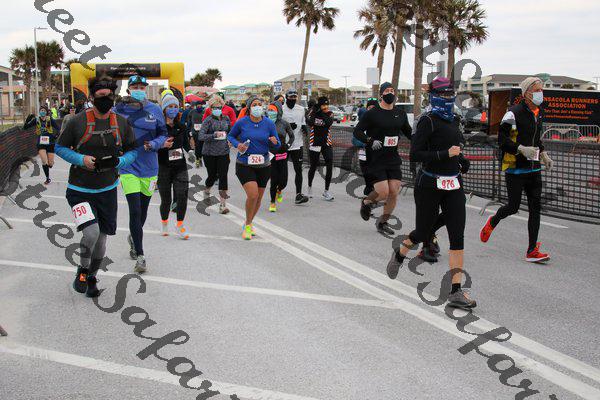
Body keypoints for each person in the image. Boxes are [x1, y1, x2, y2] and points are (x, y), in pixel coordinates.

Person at [388, 77, 476, 309]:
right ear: (434, 96)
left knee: (457, 235)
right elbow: (415, 154)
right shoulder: (427, 120)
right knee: (423, 232)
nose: (448, 98)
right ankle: (401, 252)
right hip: (429, 184)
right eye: (443, 94)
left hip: (453, 184)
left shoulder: (454, 119)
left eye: (450, 94)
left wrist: (462, 160)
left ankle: (455, 291)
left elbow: (456, 148)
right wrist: (445, 154)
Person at [55, 75, 137, 297]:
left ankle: (92, 277)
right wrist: (81, 159)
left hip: (107, 190)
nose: (106, 99)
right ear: (92, 97)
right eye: (101, 96)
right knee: (91, 233)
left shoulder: (121, 123)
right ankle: (82, 271)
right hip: (79, 190)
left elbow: (133, 151)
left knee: (101, 239)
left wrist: (120, 161)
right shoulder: (77, 121)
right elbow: (60, 148)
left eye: (109, 96)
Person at [480, 77, 553, 263]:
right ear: (526, 93)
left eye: (541, 89)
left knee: (535, 208)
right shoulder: (512, 113)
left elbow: (536, 139)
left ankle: (531, 250)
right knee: (513, 207)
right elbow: (502, 141)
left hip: (534, 169)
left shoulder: (539, 112)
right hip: (516, 169)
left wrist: (544, 154)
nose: (540, 93)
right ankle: (493, 220)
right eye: (537, 90)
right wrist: (520, 149)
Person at [114, 74, 171, 273]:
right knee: (135, 210)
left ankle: (133, 236)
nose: (139, 89)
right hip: (128, 167)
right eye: (135, 86)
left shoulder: (154, 109)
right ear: (128, 89)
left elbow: (163, 134)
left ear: (146, 89)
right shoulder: (119, 110)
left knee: (143, 211)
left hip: (150, 167)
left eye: (142, 87)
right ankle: (140, 255)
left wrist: (154, 144)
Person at [353, 82, 412, 235]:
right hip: (376, 158)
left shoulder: (400, 113)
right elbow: (357, 131)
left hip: (393, 158)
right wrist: (369, 141)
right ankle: (366, 202)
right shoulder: (372, 113)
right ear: (381, 94)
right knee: (383, 192)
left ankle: (383, 222)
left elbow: (409, 133)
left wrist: (423, 141)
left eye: (392, 90)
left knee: (393, 192)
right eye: (387, 91)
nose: (390, 93)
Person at [227, 96, 280, 240]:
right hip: (245, 164)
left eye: (259, 104)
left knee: (258, 198)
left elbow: (277, 144)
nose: (257, 107)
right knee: (252, 195)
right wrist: (238, 145)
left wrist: (274, 142)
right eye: (254, 105)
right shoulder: (242, 122)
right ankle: (248, 226)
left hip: (264, 165)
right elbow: (230, 136)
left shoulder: (269, 123)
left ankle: (248, 223)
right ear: (249, 108)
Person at [157, 92, 193, 239]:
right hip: (163, 166)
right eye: (170, 106)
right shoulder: (158, 127)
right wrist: (162, 145)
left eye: (175, 106)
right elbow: (153, 145)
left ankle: (180, 225)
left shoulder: (181, 126)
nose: (173, 109)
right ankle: (164, 223)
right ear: (164, 109)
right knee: (166, 200)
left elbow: (186, 144)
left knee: (182, 196)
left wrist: (191, 151)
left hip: (180, 166)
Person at [198, 94, 232, 214]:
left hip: (223, 152)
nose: (217, 109)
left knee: (223, 176)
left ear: (222, 107)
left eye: (219, 107)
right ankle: (207, 190)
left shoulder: (226, 119)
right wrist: (213, 135)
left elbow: (230, 132)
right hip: (209, 153)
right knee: (212, 176)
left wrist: (230, 141)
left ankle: (223, 205)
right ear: (211, 108)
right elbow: (201, 136)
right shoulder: (208, 120)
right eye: (214, 108)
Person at [281, 90, 309, 204]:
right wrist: (287, 127)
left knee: (298, 170)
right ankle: (278, 189)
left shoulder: (301, 109)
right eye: (291, 97)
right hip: (284, 144)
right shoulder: (281, 109)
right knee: (282, 170)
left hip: (297, 144)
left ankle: (298, 195)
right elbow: (275, 124)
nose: (293, 99)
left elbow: (303, 122)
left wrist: (304, 128)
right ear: (286, 97)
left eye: (294, 97)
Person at [266, 102, 294, 212]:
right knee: (273, 179)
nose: (270, 112)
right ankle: (272, 202)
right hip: (270, 155)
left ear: (278, 111)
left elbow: (292, 136)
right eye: (269, 110)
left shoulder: (284, 123)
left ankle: (280, 190)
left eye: (272, 110)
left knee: (283, 181)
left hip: (282, 154)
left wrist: (288, 145)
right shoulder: (265, 123)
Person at [306, 96, 335, 201]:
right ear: (319, 105)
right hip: (315, 143)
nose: (326, 107)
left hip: (326, 143)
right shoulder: (314, 112)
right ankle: (309, 187)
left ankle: (326, 191)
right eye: (323, 105)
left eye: (327, 105)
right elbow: (310, 122)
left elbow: (328, 122)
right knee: (313, 166)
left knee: (329, 164)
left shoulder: (330, 113)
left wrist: (321, 112)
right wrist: (315, 111)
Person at [24, 105, 60, 185]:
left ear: (46, 112)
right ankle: (47, 178)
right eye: (41, 110)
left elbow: (58, 128)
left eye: (44, 110)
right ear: (39, 111)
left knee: (50, 163)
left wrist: (56, 136)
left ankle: (50, 164)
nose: (42, 112)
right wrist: (28, 120)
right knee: (44, 161)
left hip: (50, 143)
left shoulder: (50, 119)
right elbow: (25, 127)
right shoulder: (36, 120)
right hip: (41, 143)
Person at [352, 98, 378, 196]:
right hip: (363, 151)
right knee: (366, 170)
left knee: (375, 170)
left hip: (375, 152)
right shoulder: (362, 121)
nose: (371, 109)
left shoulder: (380, 122)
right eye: (369, 107)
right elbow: (355, 138)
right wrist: (365, 143)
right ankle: (369, 187)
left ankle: (373, 189)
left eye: (373, 107)